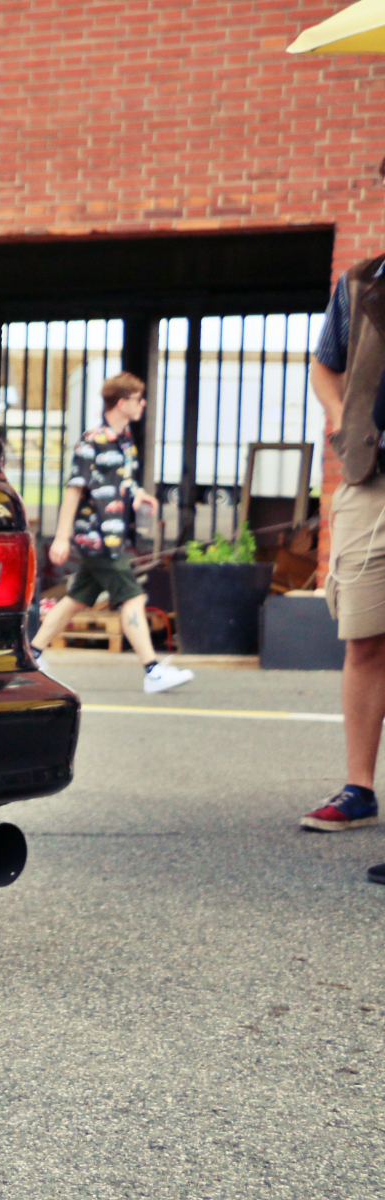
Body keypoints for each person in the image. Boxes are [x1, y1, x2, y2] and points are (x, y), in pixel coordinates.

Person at [300, 219, 385, 850]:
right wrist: (341, 421)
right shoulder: (361, 283)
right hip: (370, 479)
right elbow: (324, 368)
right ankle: (359, 789)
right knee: (364, 637)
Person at [29, 372, 193, 695]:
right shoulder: (91, 442)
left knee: (76, 600)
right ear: (121, 403)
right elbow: (74, 490)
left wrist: (139, 494)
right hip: (97, 537)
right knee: (132, 596)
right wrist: (61, 537)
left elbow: (122, 481)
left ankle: (32, 655)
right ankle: (152, 670)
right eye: (138, 399)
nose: (143, 404)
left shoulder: (125, 440)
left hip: (114, 536)